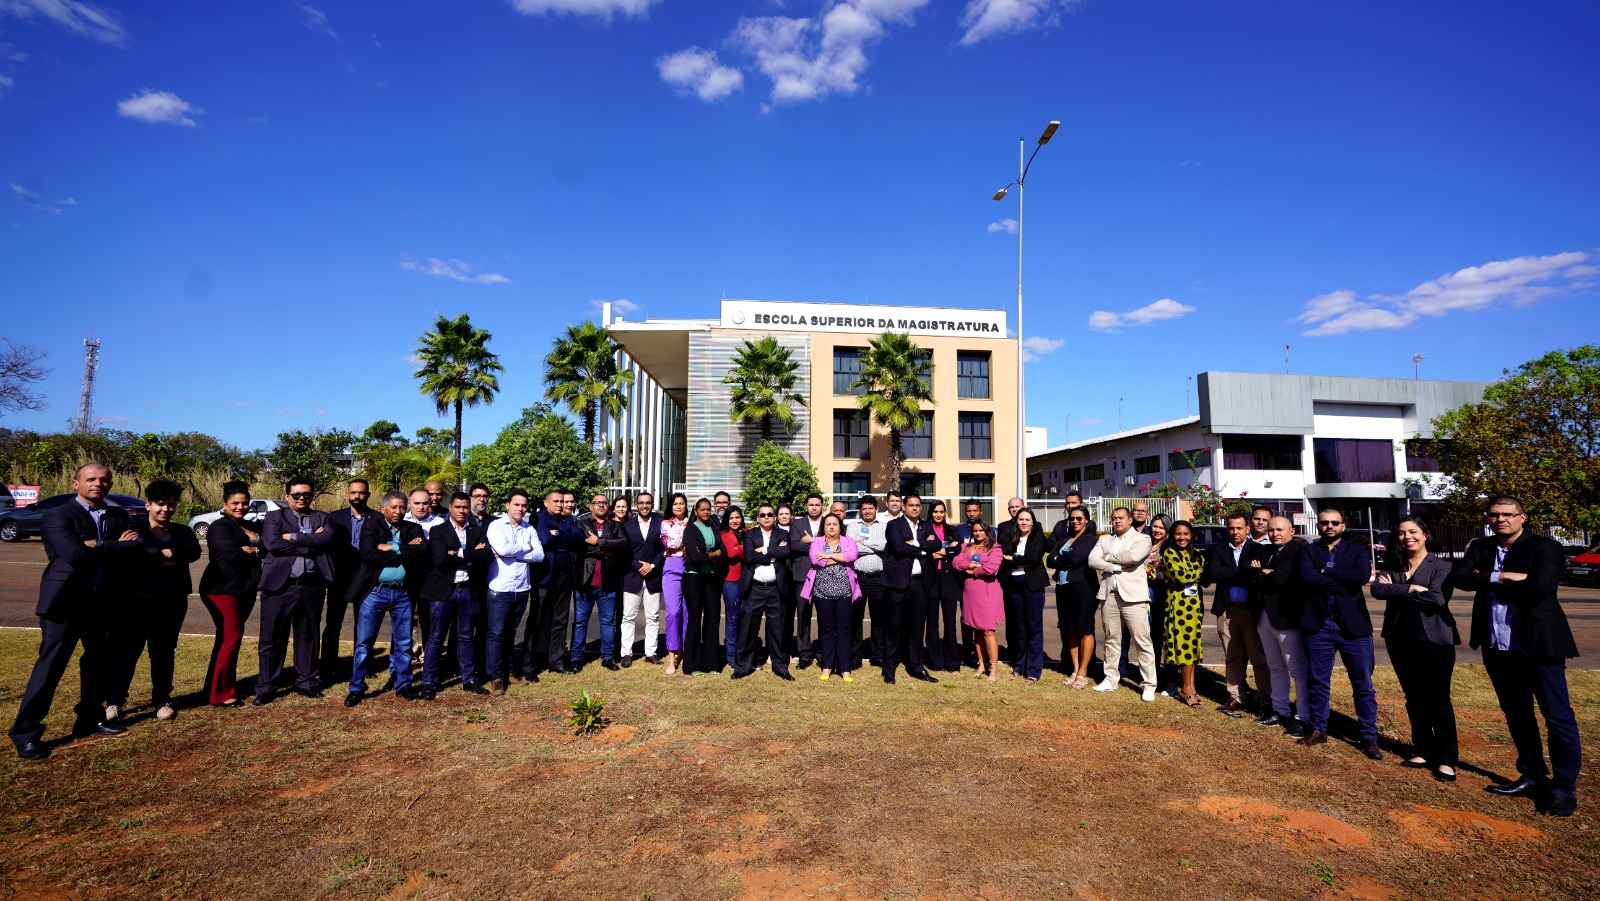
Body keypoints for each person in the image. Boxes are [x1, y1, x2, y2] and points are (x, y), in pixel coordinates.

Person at [1451, 496, 1579, 817]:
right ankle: (1533, 774)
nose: (1501, 520)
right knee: (1517, 713)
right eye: (1495, 515)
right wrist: (1504, 576)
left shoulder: (1545, 547)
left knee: (1557, 716)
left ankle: (1563, 787)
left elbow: (1541, 587)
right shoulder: (1480, 546)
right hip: (1497, 644)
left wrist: (1490, 578)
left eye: (1508, 514)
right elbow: (1461, 578)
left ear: (1523, 517)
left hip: (1539, 644)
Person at [10, 463, 141, 759]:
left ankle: (89, 718)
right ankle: (26, 733)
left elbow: (135, 548)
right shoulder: (58, 514)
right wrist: (110, 546)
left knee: (98, 664)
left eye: (104, 479)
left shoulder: (118, 514)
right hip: (65, 603)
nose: (98, 484)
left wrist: (96, 544)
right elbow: (74, 554)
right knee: (50, 667)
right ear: (75, 483)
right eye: (91, 479)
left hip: (103, 602)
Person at [105, 478, 201, 722]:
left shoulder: (182, 531)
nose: (165, 509)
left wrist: (152, 553)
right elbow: (126, 556)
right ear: (148, 505)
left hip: (171, 602)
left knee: (163, 653)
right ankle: (115, 701)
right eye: (160, 504)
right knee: (127, 653)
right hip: (136, 602)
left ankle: (162, 700)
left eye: (170, 505)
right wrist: (167, 557)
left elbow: (192, 553)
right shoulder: (134, 529)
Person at [1372, 516, 1458, 782]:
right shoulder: (1394, 564)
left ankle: (1446, 759)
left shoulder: (1442, 565)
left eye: (1413, 531)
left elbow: (1436, 599)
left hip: (1434, 641)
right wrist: (1410, 587)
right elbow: (1376, 590)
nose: (1407, 536)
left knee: (1438, 700)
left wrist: (1395, 590)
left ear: (1425, 535)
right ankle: (1422, 749)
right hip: (1399, 639)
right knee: (1414, 697)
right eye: (1401, 532)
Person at [1296, 506, 1379, 758]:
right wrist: (1340, 581)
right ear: (1318, 526)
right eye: (1324, 523)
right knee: (1318, 681)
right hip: (1319, 626)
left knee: (1363, 684)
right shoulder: (1308, 550)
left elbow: (1361, 576)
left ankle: (1368, 736)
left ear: (1343, 525)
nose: (1329, 526)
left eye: (1334, 522)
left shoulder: (1357, 550)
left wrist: (1327, 572)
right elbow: (1306, 579)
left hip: (1352, 627)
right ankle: (1318, 728)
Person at [255, 477, 334, 705]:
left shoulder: (322, 517)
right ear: (287, 495)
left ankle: (306, 681)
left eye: (306, 494)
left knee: (308, 635)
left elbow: (327, 539)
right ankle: (267, 686)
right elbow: (273, 544)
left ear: (312, 496)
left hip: (311, 586)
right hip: (280, 586)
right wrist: (311, 541)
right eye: (297, 495)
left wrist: (295, 537)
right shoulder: (274, 517)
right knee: (271, 637)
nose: (302, 498)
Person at [344, 491, 427, 706]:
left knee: (404, 642)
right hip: (376, 592)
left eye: (402, 507)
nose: (399, 511)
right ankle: (356, 687)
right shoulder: (372, 527)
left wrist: (393, 546)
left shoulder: (413, 528)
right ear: (383, 509)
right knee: (364, 643)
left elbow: (421, 552)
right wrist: (406, 550)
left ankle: (403, 684)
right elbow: (369, 555)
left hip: (403, 594)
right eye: (394, 507)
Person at [419, 492, 493, 698]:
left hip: (468, 590)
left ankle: (468, 679)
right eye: (458, 507)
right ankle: (428, 682)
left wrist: (457, 553)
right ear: (450, 507)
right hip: (444, 591)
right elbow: (440, 560)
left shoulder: (477, 531)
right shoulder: (438, 530)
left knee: (466, 636)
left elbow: (484, 555)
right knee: (435, 637)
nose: (462, 511)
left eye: (465, 507)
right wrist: (470, 555)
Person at [197, 481, 262, 709]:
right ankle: (221, 694)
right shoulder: (220, 527)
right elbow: (233, 555)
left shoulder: (248, 525)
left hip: (243, 589)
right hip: (222, 589)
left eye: (245, 503)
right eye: (235, 503)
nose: (240, 507)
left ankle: (214, 688)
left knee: (226, 639)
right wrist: (250, 551)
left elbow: (266, 545)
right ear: (224, 504)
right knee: (231, 638)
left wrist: (253, 550)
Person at [1248, 516, 1312, 733]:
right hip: (1264, 617)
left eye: (1279, 529)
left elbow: (1281, 580)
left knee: (1297, 670)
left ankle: (1303, 716)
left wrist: (1263, 572)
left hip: (1286, 619)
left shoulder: (1297, 552)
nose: (1275, 533)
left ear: (1291, 531)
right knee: (1275, 667)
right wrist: (1262, 572)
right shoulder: (1267, 551)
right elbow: (1251, 574)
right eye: (1271, 530)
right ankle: (1280, 710)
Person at [1206, 512, 1272, 717]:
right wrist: (1244, 570)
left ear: (1247, 529)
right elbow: (1213, 574)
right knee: (1232, 656)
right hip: (1227, 610)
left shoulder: (1258, 550)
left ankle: (1266, 700)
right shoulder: (1219, 549)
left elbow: (1262, 575)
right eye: (1231, 528)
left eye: (1239, 528)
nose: (1235, 532)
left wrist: (1234, 571)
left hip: (1250, 610)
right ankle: (1236, 697)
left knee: (1258, 658)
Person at [1089, 507, 1157, 700]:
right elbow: (1092, 560)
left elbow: (1134, 557)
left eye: (1121, 518)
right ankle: (1110, 678)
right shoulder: (1104, 539)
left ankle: (1149, 685)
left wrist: (1108, 557)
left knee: (1142, 640)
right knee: (1111, 639)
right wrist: (1116, 566)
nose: (1117, 521)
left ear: (1129, 519)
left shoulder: (1142, 539)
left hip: (1134, 597)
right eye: (1114, 518)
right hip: (1109, 594)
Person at [484, 490, 544, 694]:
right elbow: (501, 549)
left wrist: (515, 554)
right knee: (496, 633)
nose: (520, 509)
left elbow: (540, 555)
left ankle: (510, 671)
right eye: (516, 504)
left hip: (521, 588)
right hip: (500, 588)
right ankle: (496, 677)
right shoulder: (496, 526)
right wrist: (525, 547)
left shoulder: (529, 528)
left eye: (524, 505)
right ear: (507, 504)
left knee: (510, 632)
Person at [321, 479, 374, 687]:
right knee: (333, 625)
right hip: (340, 580)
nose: (357, 496)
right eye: (353, 492)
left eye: (361, 493)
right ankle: (327, 668)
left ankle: (362, 667)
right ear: (347, 494)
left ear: (368, 495)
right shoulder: (334, 517)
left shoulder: (377, 518)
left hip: (365, 580)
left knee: (363, 628)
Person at [882, 493, 940, 684]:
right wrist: (925, 549)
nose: (914, 508)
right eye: (911, 505)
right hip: (898, 583)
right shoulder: (893, 525)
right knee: (893, 628)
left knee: (917, 628)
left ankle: (916, 666)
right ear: (904, 507)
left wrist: (916, 544)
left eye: (917, 505)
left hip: (919, 584)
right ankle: (889, 668)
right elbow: (898, 548)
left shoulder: (926, 526)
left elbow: (937, 544)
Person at [733, 504, 794, 680]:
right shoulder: (750, 534)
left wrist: (765, 550)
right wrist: (774, 555)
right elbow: (750, 556)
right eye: (762, 515)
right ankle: (742, 667)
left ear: (774, 517)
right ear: (758, 518)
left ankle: (781, 667)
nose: (766, 517)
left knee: (778, 630)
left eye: (769, 514)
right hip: (755, 588)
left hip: (776, 588)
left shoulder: (783, 534)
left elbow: (786, 551)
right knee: (748, 629)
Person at [529, 488, 586, 678]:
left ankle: (557, 660)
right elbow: (544, 540)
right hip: (545, 575)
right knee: (539, 619)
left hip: (565, 576)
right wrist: (561, 537)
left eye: (562, 502)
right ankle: (531, 662)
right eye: (556, 501)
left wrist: (558, 534)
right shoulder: (538, 518)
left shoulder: (568, 519)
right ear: (546, 503)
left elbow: (579, 539)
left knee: (560, 619)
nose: (560, 505)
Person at [573, 494, 628, 672]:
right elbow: (582, 547)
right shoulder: (581, 524)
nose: (601, 505)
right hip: (585, 580)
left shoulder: (616, 525)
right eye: (597, 503)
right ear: (591, 506)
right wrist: (608, 550)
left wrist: (598, 542)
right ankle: (576, 658)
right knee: (580, 621)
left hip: (608, 581)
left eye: (604, 503)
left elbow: (623, 545)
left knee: (607, 622)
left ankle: (607, 657)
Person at [802, 513, 861, 682]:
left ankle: (845, 668)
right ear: (824, 527)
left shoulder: (848, 540)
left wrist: (828, 555)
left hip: (844, 591)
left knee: (843, 629)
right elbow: (815, 559)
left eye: (835, 524)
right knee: (826, 629)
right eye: (828, 524)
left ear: (840, 526)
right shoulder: (817, 542)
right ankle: (827, 665)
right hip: (822, 592)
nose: (832, 527)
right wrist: (840, 556)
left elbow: (853, 555)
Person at [1047, 506, 1098, 688]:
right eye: (1072, 519)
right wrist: (1065, 560)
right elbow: (1049, 559)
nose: (1075, 521)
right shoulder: (1065, 539)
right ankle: (1075, 669)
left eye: (1079, 518)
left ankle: (1084, 672)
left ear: (1086, 520)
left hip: (1083, 589)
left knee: (1084, 629)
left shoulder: (1090, 539)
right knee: (1070, 629)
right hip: (1063, 588)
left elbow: (1077, 558)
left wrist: (1060, 560)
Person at [1160, 521, 1208, 709]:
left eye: (1186, 534)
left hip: (1195, 606)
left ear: (1191, 535)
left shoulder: (1195, 553)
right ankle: (1186, 689)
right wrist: (1198, 570)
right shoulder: (1169, 553)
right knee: (1184, 647)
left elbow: (1206, 576)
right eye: (1178, 534)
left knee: (1192, 646)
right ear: (1172, 536)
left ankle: (1191, 686)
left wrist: (1196, 571)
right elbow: (1181, 576)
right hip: (1178, 607)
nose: (1182, 538)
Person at [1001, 507, 1050, 682]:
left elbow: (1034, 559)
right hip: (1013, 585)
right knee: (1018, 628)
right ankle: (1019, 665)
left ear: (1033, 522)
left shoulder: (1038, 537)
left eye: (1027, 520)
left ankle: (1033, 670)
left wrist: (1012, 559)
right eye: (1021, 519)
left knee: (1033, 628)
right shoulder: (1009, 537)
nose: (1023, 522)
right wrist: (1013, 560)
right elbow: (1001, 558)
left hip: (1033, 587)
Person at [953, 520, 1003, 682]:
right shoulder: (965, 547)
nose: (978, 533)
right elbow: (956, 562)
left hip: (987, 592)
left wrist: (972, 570)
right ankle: (982, 665)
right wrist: (969, 565)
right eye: (975, 531)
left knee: (988, 630)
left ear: (987, 531)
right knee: (976, 629)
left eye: (981, 530)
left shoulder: (995, 548)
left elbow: (991, 568)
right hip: (970, 593)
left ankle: (993, 668)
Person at [682, 497, 727, 675]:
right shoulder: (690, 530)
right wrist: (713, 554)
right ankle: (692, 665)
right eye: (702, 509)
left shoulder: (715, 528)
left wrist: (710, 554)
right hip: (693, 577)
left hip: (712, 577)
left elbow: (723, 553)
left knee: (712, 619)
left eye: (708, 509)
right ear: (695, 511)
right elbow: (694, 557)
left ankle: (711, 663)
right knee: (694, 620)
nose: (706, 512)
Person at [621, 491, 664, 667]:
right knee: (628, 616)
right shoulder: (627, 525)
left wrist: (652, 566)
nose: (644, 506)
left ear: (652, 505)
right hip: (632, 576)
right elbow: (624, 551)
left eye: (648, 503)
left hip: (653, 576)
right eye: (641, 503)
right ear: (636, 505)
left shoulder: (661, 524)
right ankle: (626, 654)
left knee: (653, 616)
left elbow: (664, 550)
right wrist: (638, 566)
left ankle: (651, 653)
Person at [921, 501, 964, 673]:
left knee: (950, 623)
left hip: (949, 581)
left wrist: (937, 551)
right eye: (935, 511)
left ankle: (952, 661)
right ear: (930, 513)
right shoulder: (924, 530)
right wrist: (946, 551)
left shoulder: (953, 531)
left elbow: (958, 550)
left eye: (941, 511)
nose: (938, 515)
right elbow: (925, 552)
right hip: (931, 579)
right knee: (931, 623)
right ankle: (935, 662)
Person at [788, 493, 827, 668]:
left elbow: (833, 545)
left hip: (825, 575)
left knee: (824, 617)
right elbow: (794, 546)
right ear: (806, 506)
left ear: (822, 506)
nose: (814, 507)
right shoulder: (797, 523)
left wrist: (811, 541)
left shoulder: (829, 521)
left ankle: (823, 653)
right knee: (803, 615)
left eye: (817, 505)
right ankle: (804, 655)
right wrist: (819, 544)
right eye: (811, 505)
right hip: (802, 575)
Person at [851, 497, 889, 666]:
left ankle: (877, 656)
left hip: (878, 578)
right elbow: (852, 548)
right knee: (855, 619)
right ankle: (855, 657)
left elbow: (885, 546)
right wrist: (874, 547)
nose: (867, 511)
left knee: (879, 619)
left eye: (870, 508)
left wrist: (864, 543)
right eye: (864, 508)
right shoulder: (852, 526)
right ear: (860, 510)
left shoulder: (884, 526)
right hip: (858, 577)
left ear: (876, 509)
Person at [660, 493, 691, 674]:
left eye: (682, 503)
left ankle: (684, 653)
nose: (679, 506)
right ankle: (671, 657)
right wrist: (685, 543)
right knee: (673, 613)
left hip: (689, 567)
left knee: (688, 613)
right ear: (671, 506)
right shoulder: (665, 524)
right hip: (672, 566)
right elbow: (670, 543)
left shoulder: (692, 523)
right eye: (675, 504)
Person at [1144, 514, 1172, 689]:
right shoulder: (1145, 543)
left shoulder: (1169, 547)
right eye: (1155, 526)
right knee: (1148, 636)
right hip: (1144, 591)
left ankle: (1167, 676)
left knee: (1162, 635)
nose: (1157, 530)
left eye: (1161, 527)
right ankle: (1151, 673)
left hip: (1161, 592)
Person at [995, 496, 1024, 662]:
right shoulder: (1004, 526)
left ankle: (1025, 651)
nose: (1014, 509)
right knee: (1012, 617)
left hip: (1028, 578)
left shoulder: (1035, 525)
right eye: (1011, 507)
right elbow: (1004, 548)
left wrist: (1014, 556)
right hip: (1008, 578)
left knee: (1026, 618)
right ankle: (1013, 651)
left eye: (1017, 506)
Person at [718, 506, 747, 670]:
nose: (735, 521)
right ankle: (731, 656)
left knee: (747, 618)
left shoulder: (747, 533)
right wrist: (747, 548)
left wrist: (740, 549)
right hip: (731, 581)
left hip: (748, 579)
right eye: (731, 518)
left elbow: (741, 552)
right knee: (733, 619)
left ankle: (744, 654)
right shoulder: (724, 535)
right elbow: (731, 553)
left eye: (737, 517)